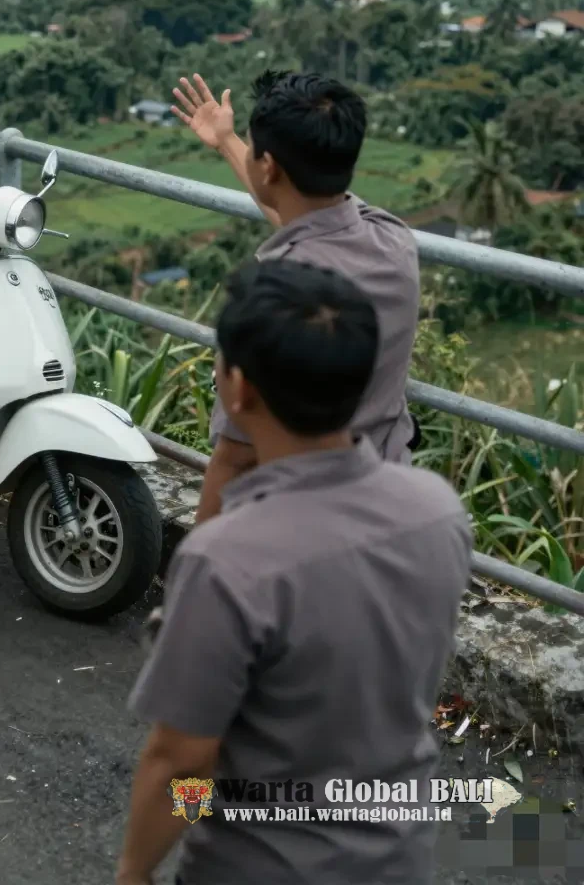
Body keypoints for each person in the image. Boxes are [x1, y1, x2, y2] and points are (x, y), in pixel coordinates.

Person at [116, 259, 473, 885]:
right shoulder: (437, 512)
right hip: (399, 857)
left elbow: (185, 762)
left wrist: (134, 871)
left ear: (239, 389)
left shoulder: (227, 560)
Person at [172, 70, 420, 525]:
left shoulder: (278, 298)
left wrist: (197, 565)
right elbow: (305, 208)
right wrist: (228, 141)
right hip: (386, 495)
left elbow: (238, 455)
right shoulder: (393, 241)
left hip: (294, 516)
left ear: (267, 167)